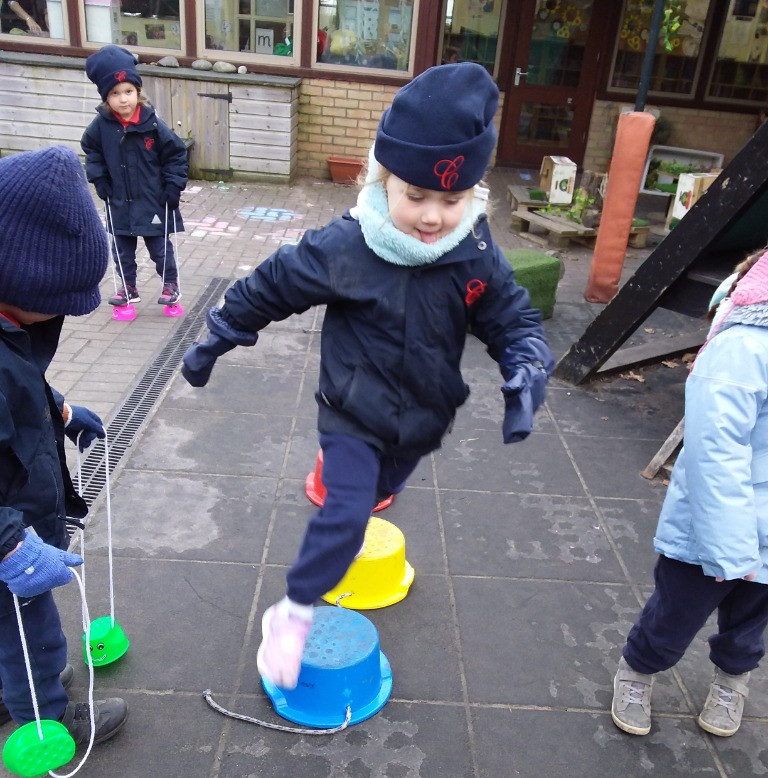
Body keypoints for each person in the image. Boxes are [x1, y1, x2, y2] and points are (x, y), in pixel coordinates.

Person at [181, 62, 554, 690]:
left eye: (452, 199)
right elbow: (273, 285)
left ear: (473, 193)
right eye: (417, 196)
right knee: (348, 510)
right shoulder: (348, 246)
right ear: (384, 181)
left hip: (422, 418)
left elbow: (511, 315)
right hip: (353, 411)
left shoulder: (474, 249)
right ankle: (293, 611)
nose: (433, 216)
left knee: (382, 490)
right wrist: (218, 336)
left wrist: (527, 366)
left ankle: (348, 524)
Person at [0, 145, 128, 748]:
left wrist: (63, 412)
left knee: (7, 630)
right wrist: (8, 546)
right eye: (55, 301)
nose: (63, 316)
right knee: (33, 630)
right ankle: (46, 717)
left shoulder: (11, 328)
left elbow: (22, 388)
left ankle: (12, 690)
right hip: (8, 537)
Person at [612, 246, 768, 739]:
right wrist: (729, 547)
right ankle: (636, 671)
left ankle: (732, 679)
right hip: (715, 529)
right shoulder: (746, 347)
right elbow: (714, 454)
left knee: (751, 625)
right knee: (675, 615)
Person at [81, 45, 188, 308]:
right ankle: (128, 287)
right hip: (119, 200)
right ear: (106, 97)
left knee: (160, 250)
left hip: (154, 199)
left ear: (137, 92)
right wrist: (99, 179)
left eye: (128, 91)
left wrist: (174, 186)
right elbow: (91, 151)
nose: (123, 99)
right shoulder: (101, 126)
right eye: (115, 94)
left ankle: (170, 285)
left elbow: (176, 154)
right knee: (122, 251)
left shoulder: (152, 123)